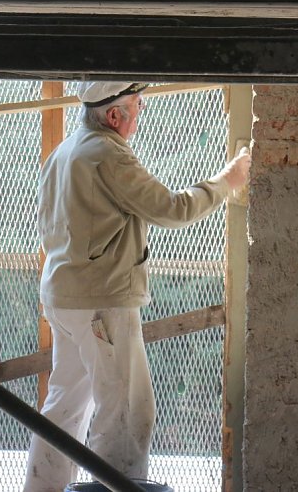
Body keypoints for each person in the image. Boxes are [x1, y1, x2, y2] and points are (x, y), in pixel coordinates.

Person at [24, 81, 251, 491]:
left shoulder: (65, 151)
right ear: (114, 116)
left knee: (65, 408)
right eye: (137, 104)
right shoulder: (107, 154)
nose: (141, 111)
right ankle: (119, 487)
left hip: (64, 298)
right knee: (126, 411)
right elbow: (171, 208)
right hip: (102, 302)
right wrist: (227, 180)